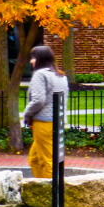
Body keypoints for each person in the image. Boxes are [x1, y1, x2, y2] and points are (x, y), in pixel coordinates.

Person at [22, 46, 69, 178]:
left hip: (43, 123)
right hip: (57, 122)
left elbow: (38, 100)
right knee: (35, 159)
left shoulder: (40, 75)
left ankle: (52, 194)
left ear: (40, 59)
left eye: (33, 58)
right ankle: (40, 187)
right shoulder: (60, 76)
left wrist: (27, 114)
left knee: (48, 161)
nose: (31, 61)